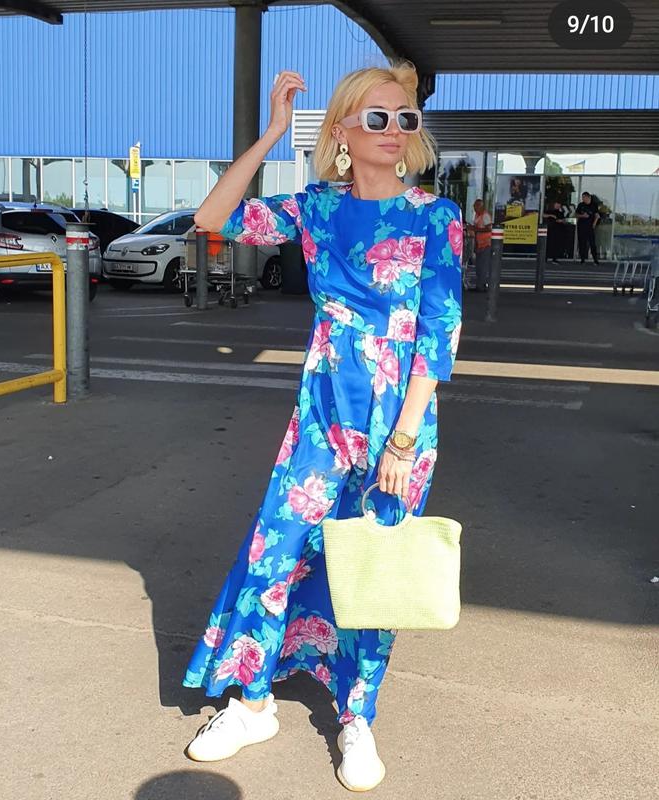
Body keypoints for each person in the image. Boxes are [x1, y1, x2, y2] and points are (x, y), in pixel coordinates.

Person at [181, 63, 463, 793]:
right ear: (341, 131)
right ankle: (252, 703)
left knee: (373, 569)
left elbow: (439, 334)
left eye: (405, 119)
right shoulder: (316, 209)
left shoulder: (435, 216)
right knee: (275, 550)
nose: (395, 131)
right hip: (321, 413)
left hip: (399, 419)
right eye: (377, 117)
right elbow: (212, 217)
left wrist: (404, 438)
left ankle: (357, 717)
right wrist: (273, 132)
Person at [467, 198, 492, 290]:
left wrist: (474, 229)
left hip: (486, 243)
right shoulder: (477, 215)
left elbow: (488, 229)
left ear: (480, 206)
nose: (474, 208)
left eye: (476, 206)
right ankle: (480, 284)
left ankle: (482, 285)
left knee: (483, 265)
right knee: (479, 266)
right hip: (479, 243)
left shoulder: (485, 215)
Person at [575, 191, 600, 265]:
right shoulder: (581, 205)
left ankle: (595, 259)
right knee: (582, 243)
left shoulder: (594, 205)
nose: (583, 199)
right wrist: (582, 216)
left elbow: (597, 215)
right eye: (582, 197)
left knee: (592, 243)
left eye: (584, 197)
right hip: (581, 226)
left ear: (588, 197)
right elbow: (576, 214)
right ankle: (582, 259)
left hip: (590, 227)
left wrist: (594, 223)